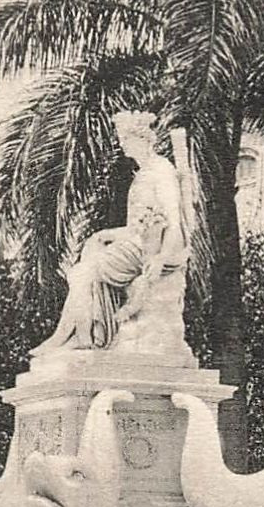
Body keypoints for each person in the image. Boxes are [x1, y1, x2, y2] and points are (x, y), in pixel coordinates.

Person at [30, 111, 191, 357]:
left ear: (143, 139)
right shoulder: (143, 174)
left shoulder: (161, 170)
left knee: (85, 272)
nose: (122, 144)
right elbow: (134, 228)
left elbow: (175, 222)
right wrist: (107, 234)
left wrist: (160, 259)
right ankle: (80, 335)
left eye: (126, 139)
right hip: (135, 244)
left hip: (150, 250)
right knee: (89, 257)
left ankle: (71, 337)